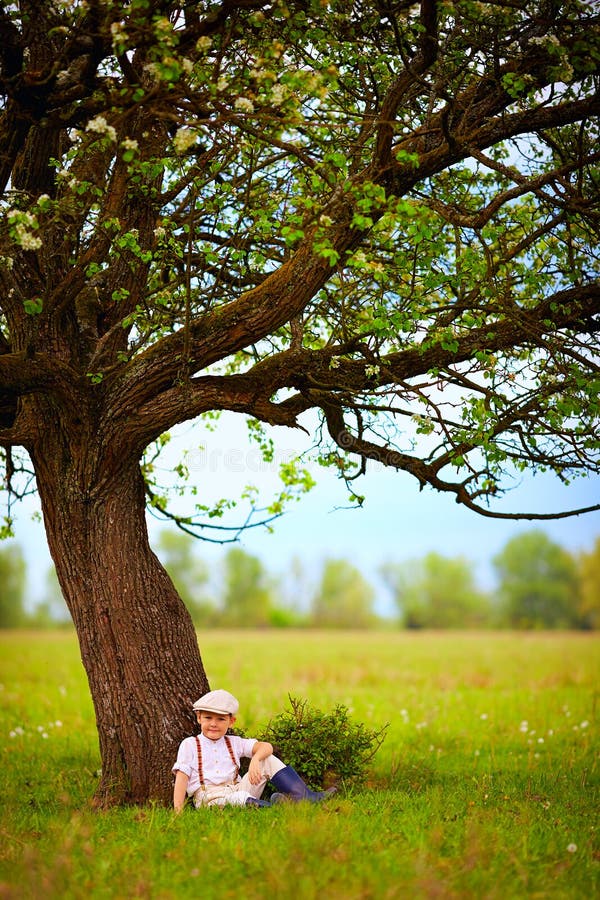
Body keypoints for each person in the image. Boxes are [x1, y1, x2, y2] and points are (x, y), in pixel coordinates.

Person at [172, 689, 337, 811]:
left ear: (231, 722)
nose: (213, 724)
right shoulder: (190, 744)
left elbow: (267, 747)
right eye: (208, 718)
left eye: (221, 719)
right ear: (199, 717)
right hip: (210, 798)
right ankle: (278, 808)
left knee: (266, 759)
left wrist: (255, 760)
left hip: (237, 789)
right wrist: (178, 812)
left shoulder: (233, 742)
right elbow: (182, 777)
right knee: (238, 798)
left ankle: (305, 797)